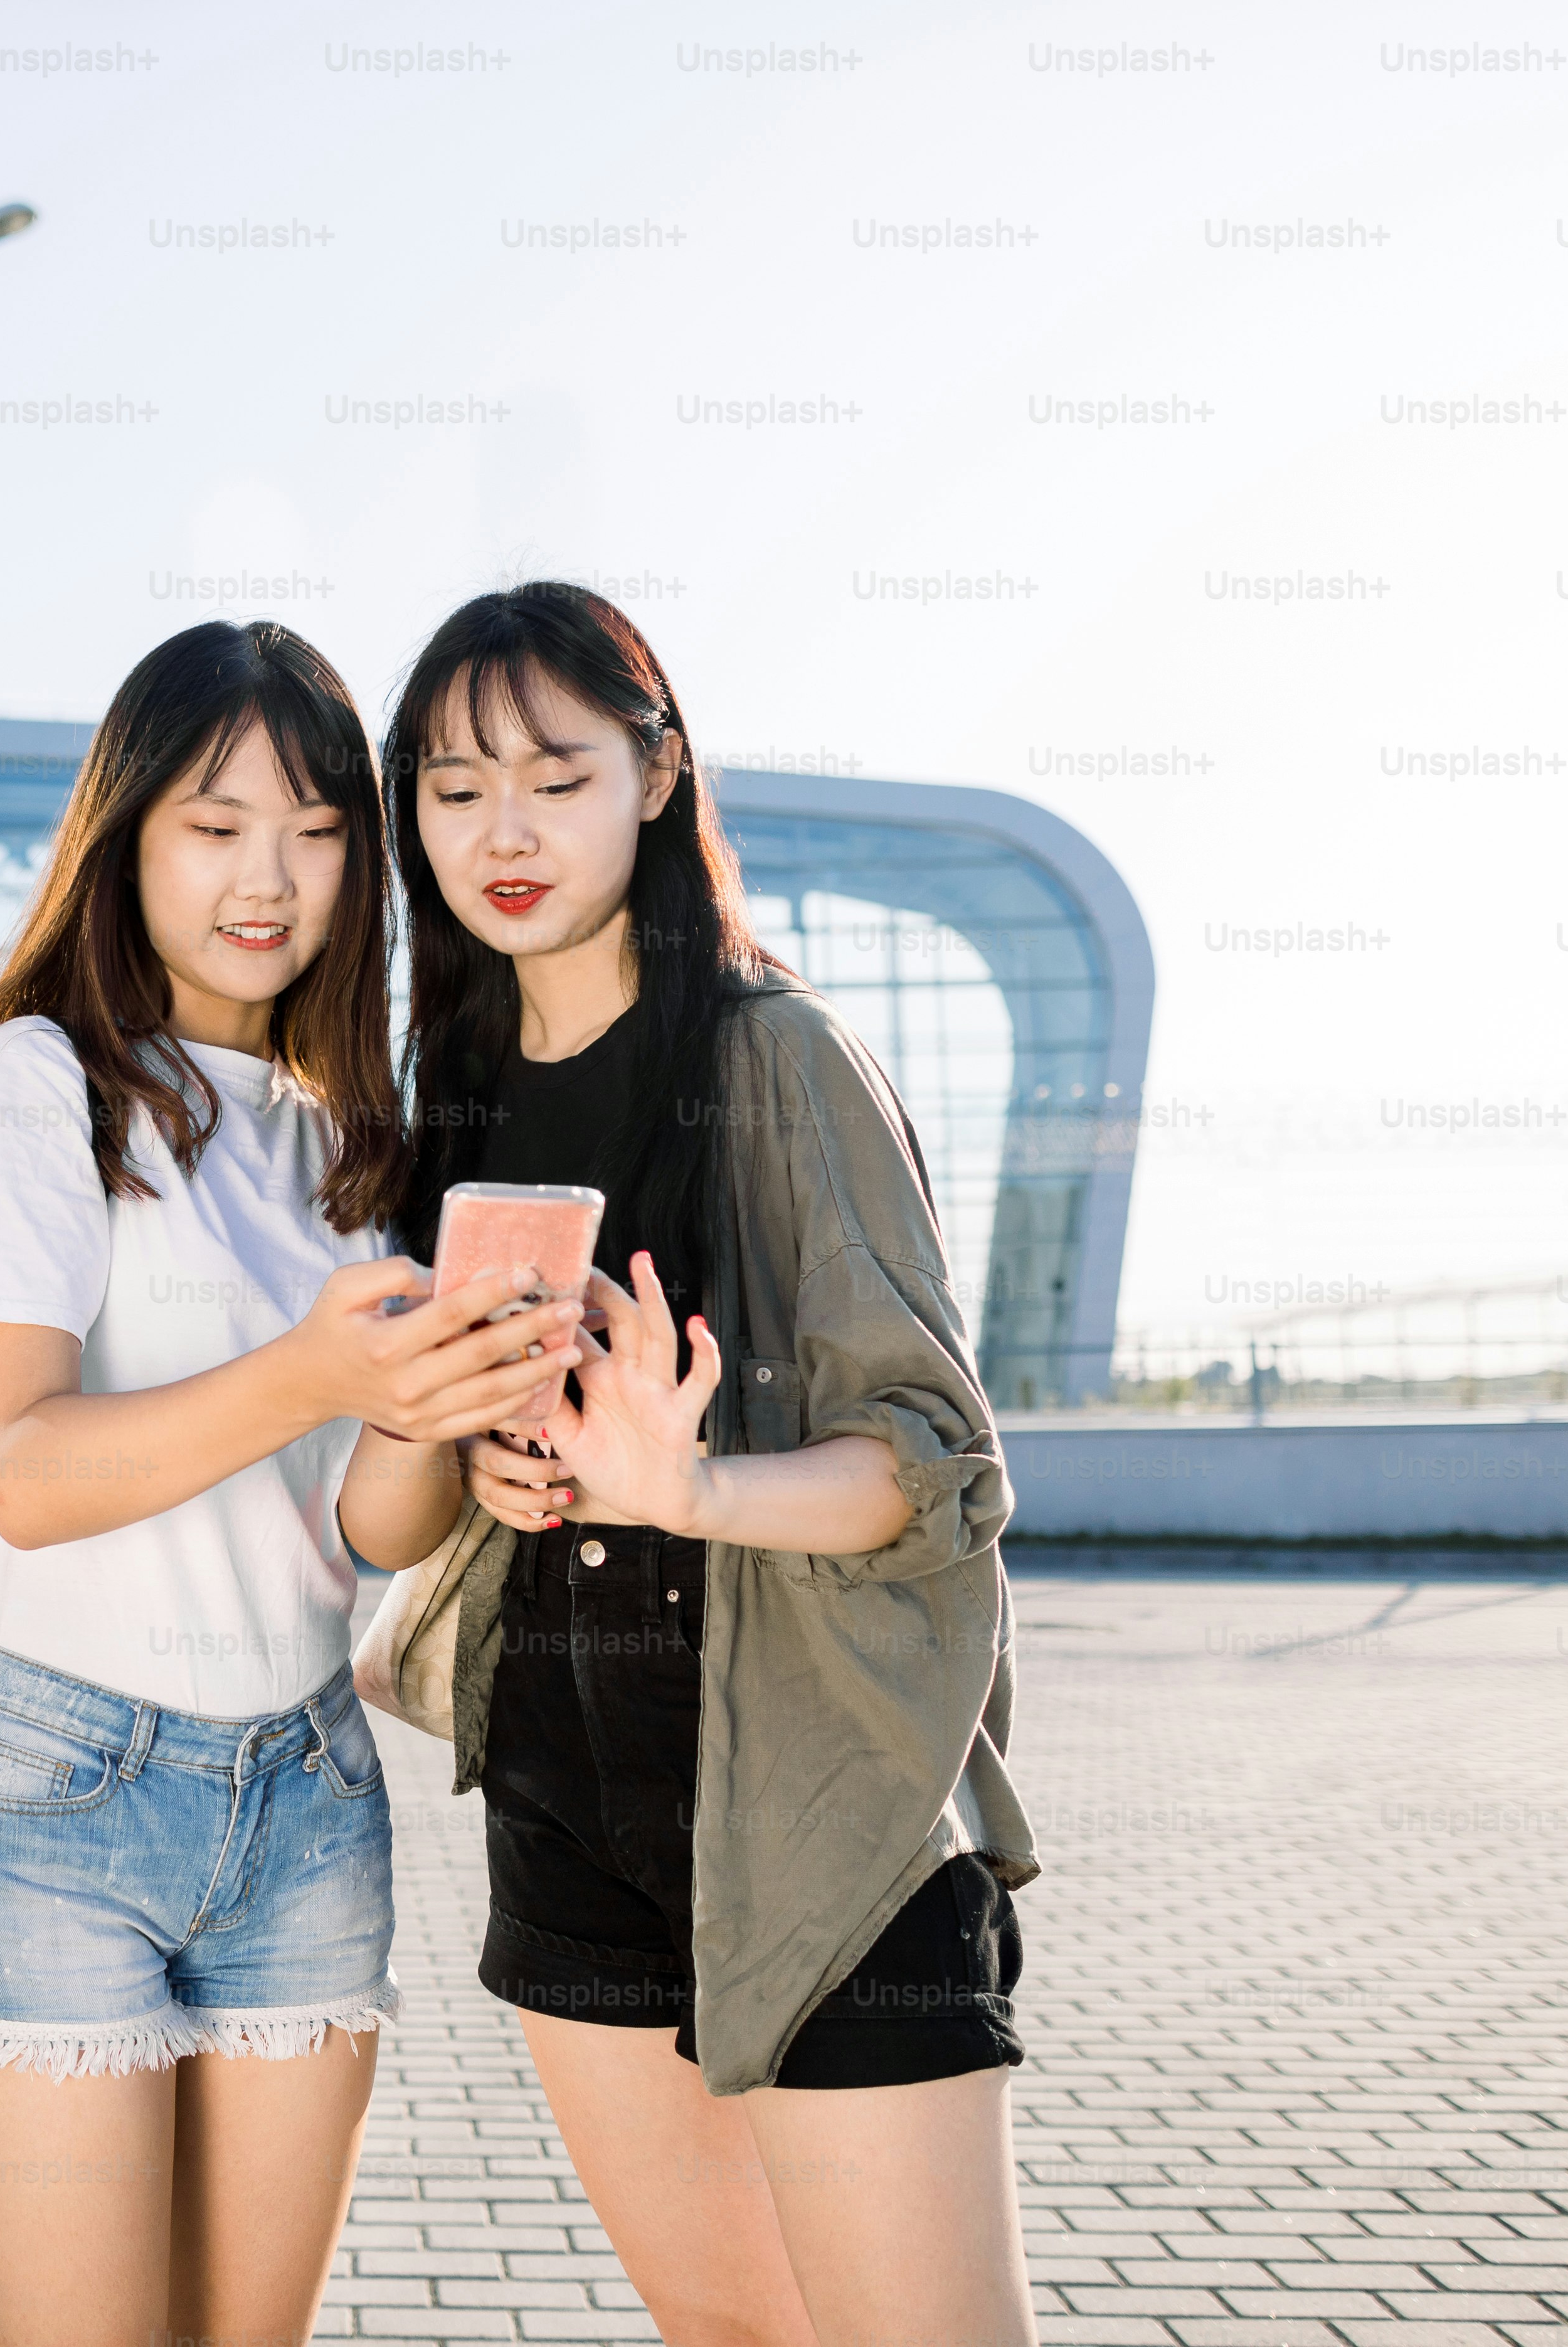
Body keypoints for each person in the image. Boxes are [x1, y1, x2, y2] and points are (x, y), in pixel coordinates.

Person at [349, 583, 1043, 2347]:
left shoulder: (776, 1060)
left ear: (655, 780)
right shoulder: (456, 1098)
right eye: (449, 787)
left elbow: (932, 1471)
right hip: (570, 1811)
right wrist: (489, 1471)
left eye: (553, 776)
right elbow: (418, 1494)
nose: (501, 831)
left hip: (824, 1817)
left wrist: (692, 1489)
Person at [0, 618, 581, 2347]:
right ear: (122, 839)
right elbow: (27, 1473)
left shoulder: (342, 1139)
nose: (267, 879)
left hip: (303, 1798)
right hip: (48, 1788)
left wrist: (445, 1416)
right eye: (212, 825)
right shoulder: (36, 1086)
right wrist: (314, 1370)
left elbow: (361, 1531)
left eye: (317, 831)